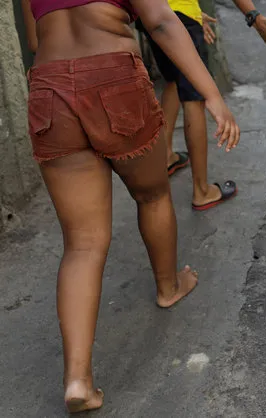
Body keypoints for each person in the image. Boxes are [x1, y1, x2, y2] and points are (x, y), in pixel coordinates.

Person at [21, 0, 239, 412]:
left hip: (49, 84)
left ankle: (78, 381)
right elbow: (159, 19)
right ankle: (168, 286)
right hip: (112, 75)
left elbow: (35, 38)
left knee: (82, 243)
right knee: (152, 193)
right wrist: (211, 95)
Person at [143, 0, 266, 211]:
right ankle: (202, 191)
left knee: (174, 80)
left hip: (148, 14)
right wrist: (254, 17)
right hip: (178, 15)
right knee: (194, 97)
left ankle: (166, 157)